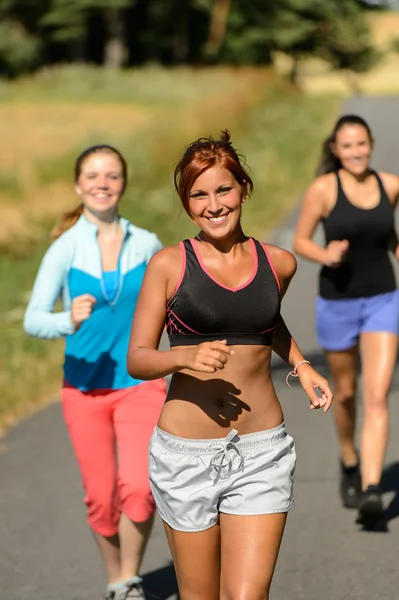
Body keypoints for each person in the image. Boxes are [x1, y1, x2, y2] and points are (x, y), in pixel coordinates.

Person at [127, 131, 333, 600]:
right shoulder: (168, 264)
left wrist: (301, 364)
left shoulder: (279, 263)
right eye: (199, 195)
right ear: (187, 205)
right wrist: (183, 356)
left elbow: (261, 320)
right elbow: (137, 358)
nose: (213, 204)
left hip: (262, 450)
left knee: (247, 597)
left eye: (224, 189)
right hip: (186, 457)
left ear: (243, 189)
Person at [23, 144, 167, 600]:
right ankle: (114, 578)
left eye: (111, 176)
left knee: (140, 491)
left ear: (123, 184)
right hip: (83, 388)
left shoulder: (145, 244)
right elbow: (33, 318)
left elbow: (174, 305)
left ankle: (129, 578)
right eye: (92, 176)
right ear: (78, 185)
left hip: (139, 384)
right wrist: (69, 320)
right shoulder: (65, 249)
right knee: (101, 498)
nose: (102, 184)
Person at [293, 114, 399, 526]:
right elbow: (302, 239)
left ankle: (372, 488)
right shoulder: (323, 189)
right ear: (335, 150)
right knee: (347, 392)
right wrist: (325, 255)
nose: (356, 152)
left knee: (376, 394)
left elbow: (389, 236)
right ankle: (349, 459)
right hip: (337, 301)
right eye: (347, 146)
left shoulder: (390, 185)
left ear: (370, 145)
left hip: (382, 299)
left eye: (361, 144)